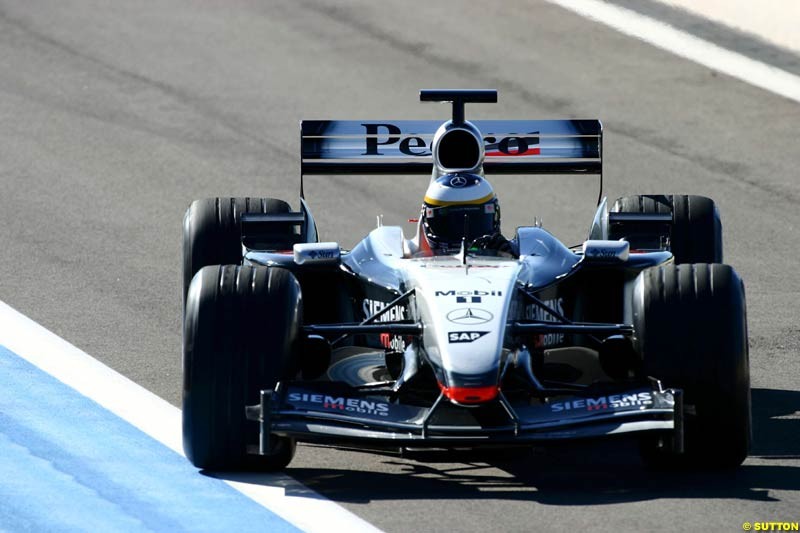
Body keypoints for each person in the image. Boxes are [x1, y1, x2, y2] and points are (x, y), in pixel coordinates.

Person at [411, 173, 517, 257]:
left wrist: (509, 257)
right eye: (449, 224)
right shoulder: (405, 257)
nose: (463, 239)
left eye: (475, 223)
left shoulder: (514, 255)